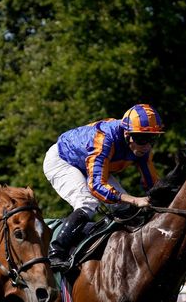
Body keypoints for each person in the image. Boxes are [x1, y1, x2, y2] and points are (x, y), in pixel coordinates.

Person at [44, 103, 165, 272]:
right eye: (141, 138)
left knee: (124, 207)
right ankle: (56, 252)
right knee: (88, 203)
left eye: (152, 139)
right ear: (127, 134)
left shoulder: (143, 149)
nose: (146, 146)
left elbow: (152, 184)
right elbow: (97, 186)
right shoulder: (104, 140)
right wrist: (135, 199)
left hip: (91, 165)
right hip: (62, 160)